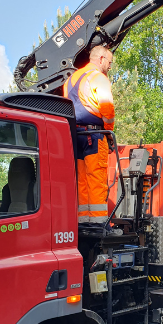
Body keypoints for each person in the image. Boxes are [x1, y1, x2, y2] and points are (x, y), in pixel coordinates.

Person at [63, 45, 115, 226]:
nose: (110, 66)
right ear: (101, 59)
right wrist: (109, 133)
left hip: (74, 135)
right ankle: (100, 223)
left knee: (81, 180)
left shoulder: (70, 80)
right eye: (109, 62)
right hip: (94, 134)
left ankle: (83, 221)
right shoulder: (98, 78)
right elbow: (107, 109)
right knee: (96, 177)